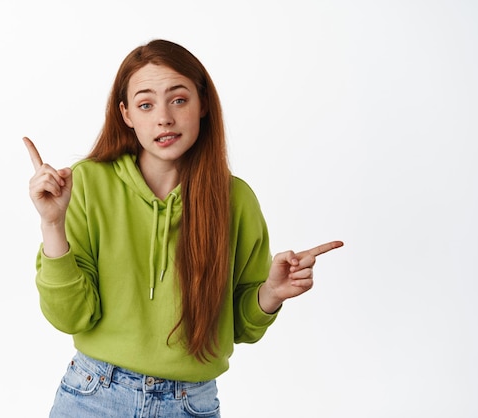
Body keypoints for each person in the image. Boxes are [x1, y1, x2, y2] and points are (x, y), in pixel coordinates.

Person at [24, 39, 343, 418]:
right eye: (146, 104)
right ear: (126, 114)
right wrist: (53, 223)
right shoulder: (88, 184)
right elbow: (70, 317)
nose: (164, 118)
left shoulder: (235, 200)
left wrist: (271, 293)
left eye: (178, 100)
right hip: (94, 395)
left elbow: (239, 327)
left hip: (191, 404)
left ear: (203, 104)